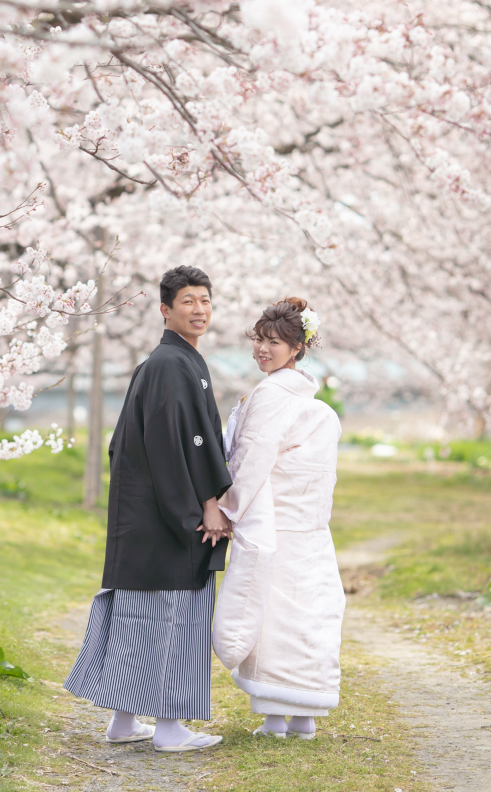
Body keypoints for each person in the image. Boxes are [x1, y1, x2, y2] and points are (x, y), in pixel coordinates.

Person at [64, 265, 232, 752]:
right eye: (188, 302)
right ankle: (169, 728)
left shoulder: (168, 362)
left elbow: (151, 443)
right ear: (165, 310)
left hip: (142, 518)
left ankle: (122, 721)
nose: (199, 309)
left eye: (204, 300)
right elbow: (176, 444)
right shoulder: (171, 364)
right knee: (174, 617)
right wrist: (204, 507)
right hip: (166, 517)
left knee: (139, 616)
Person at [213, 297, 345, 740]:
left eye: (274, 342)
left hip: (278, 522)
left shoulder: (272, 393)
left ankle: (275, 719)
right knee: (308, 614)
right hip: (309, 528)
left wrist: (228, 509)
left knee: (272, 616)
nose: (262, 350)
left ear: (296, 349)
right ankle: (304, 719)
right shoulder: (302, 395)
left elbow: (252, 459)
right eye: (259, 340)